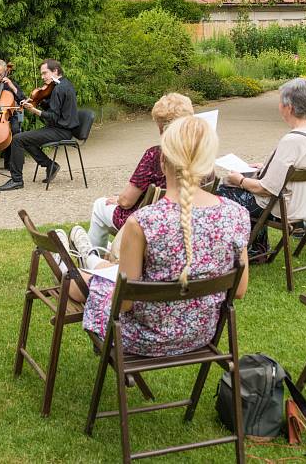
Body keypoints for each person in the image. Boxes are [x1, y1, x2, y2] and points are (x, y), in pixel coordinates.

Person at [59, 116, 250, 357]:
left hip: (144, 338)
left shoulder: (143, 221)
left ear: (162, 161)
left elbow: (125, 303)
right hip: (202, 334)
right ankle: (86, 260)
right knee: (90, 279)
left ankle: (75, 260)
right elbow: (240, 290)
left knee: (75, 284)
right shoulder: (237, 214)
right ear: (208, 163)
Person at [217, 78, 306, 257]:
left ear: (289, 108)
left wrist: (239, 179)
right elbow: (298, 167)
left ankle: (234, 252)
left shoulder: (293, 140)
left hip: (284, 207)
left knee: (222, 192)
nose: (279, 106)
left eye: (280, 102)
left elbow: (265, 190)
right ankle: (257, 249)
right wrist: (264, 167)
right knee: (244, 190)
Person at [84, 93, 194, 251]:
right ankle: (103, 252)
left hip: (147, 222)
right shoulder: (200, 154)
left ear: (162, 126)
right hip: (184, 219)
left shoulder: (156, 155)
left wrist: (120, 199)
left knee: (100, 205)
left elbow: (127, 200)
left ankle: (94, 255)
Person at [0, 59, 79, 191]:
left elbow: (53, 116)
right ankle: (50, 165)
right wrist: (38, 100)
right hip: (62, 128)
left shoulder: (59, 89)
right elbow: (55, 106)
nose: (42, 77)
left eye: (45, 73)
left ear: (55, 71)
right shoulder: (64, 84)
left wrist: (34, 110)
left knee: (17, 139)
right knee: (25, 140)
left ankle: (17, 180)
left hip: (60, 130)